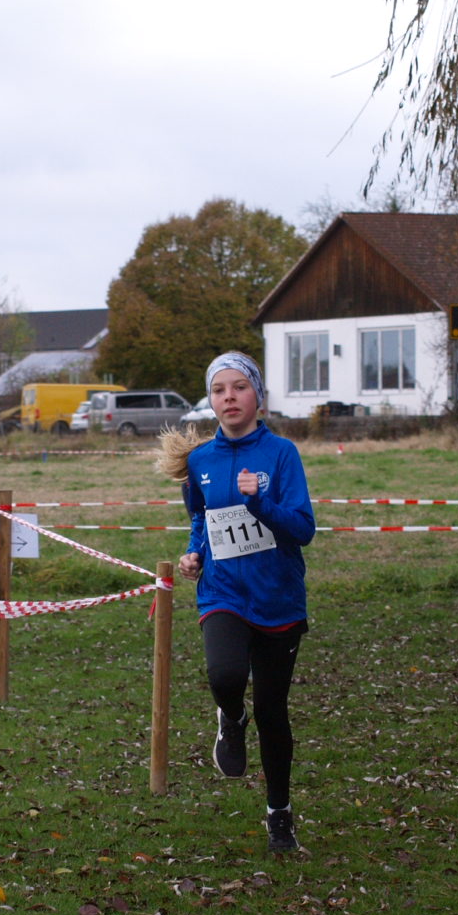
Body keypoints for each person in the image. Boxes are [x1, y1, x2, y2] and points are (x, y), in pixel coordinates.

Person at [157, 352, 315, 852]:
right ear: (211, 400)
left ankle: (279, 815)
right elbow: (200, 520)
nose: (229, 397)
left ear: (258, 396)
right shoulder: (200, 461)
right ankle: (230, 716)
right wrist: (194, 555)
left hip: (277, 598)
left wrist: (260, 502)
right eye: (219, 389)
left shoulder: (282, 454)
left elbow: (303, 528)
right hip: (223, 593)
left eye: (239, 387)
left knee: (272, 713)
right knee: (225, 676)